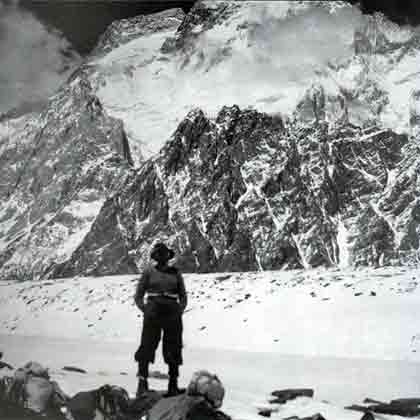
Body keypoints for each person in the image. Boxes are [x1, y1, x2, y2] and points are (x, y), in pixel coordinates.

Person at [134, 242, 187, 397]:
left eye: (164, 255)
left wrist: (179, 309)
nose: (162, 258)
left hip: (172, 312)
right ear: (155, 257)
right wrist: (146, 309)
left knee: (174, 346)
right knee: (147, 345)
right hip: (153, 311)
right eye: (159, 255)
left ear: (168, 257)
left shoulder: (176, 273)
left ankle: (173, 385)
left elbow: (183, 295)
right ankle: (142, 385)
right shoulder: (148, 272)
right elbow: (138, 295)